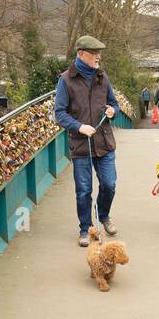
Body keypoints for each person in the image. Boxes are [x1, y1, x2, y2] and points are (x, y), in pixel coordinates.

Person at [54, 34, 120, 247]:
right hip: (81, 144)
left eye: (99, 53)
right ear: (81, 54)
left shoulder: (102, 77)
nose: (98, 57)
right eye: (94, 53)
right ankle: (85, 228)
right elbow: (59, 113)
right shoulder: (66, 80)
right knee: (83, 190)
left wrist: (113, 111)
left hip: (104, 142)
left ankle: (103, 215)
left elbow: (114, 104)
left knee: (109, 184)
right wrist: (79, 127)